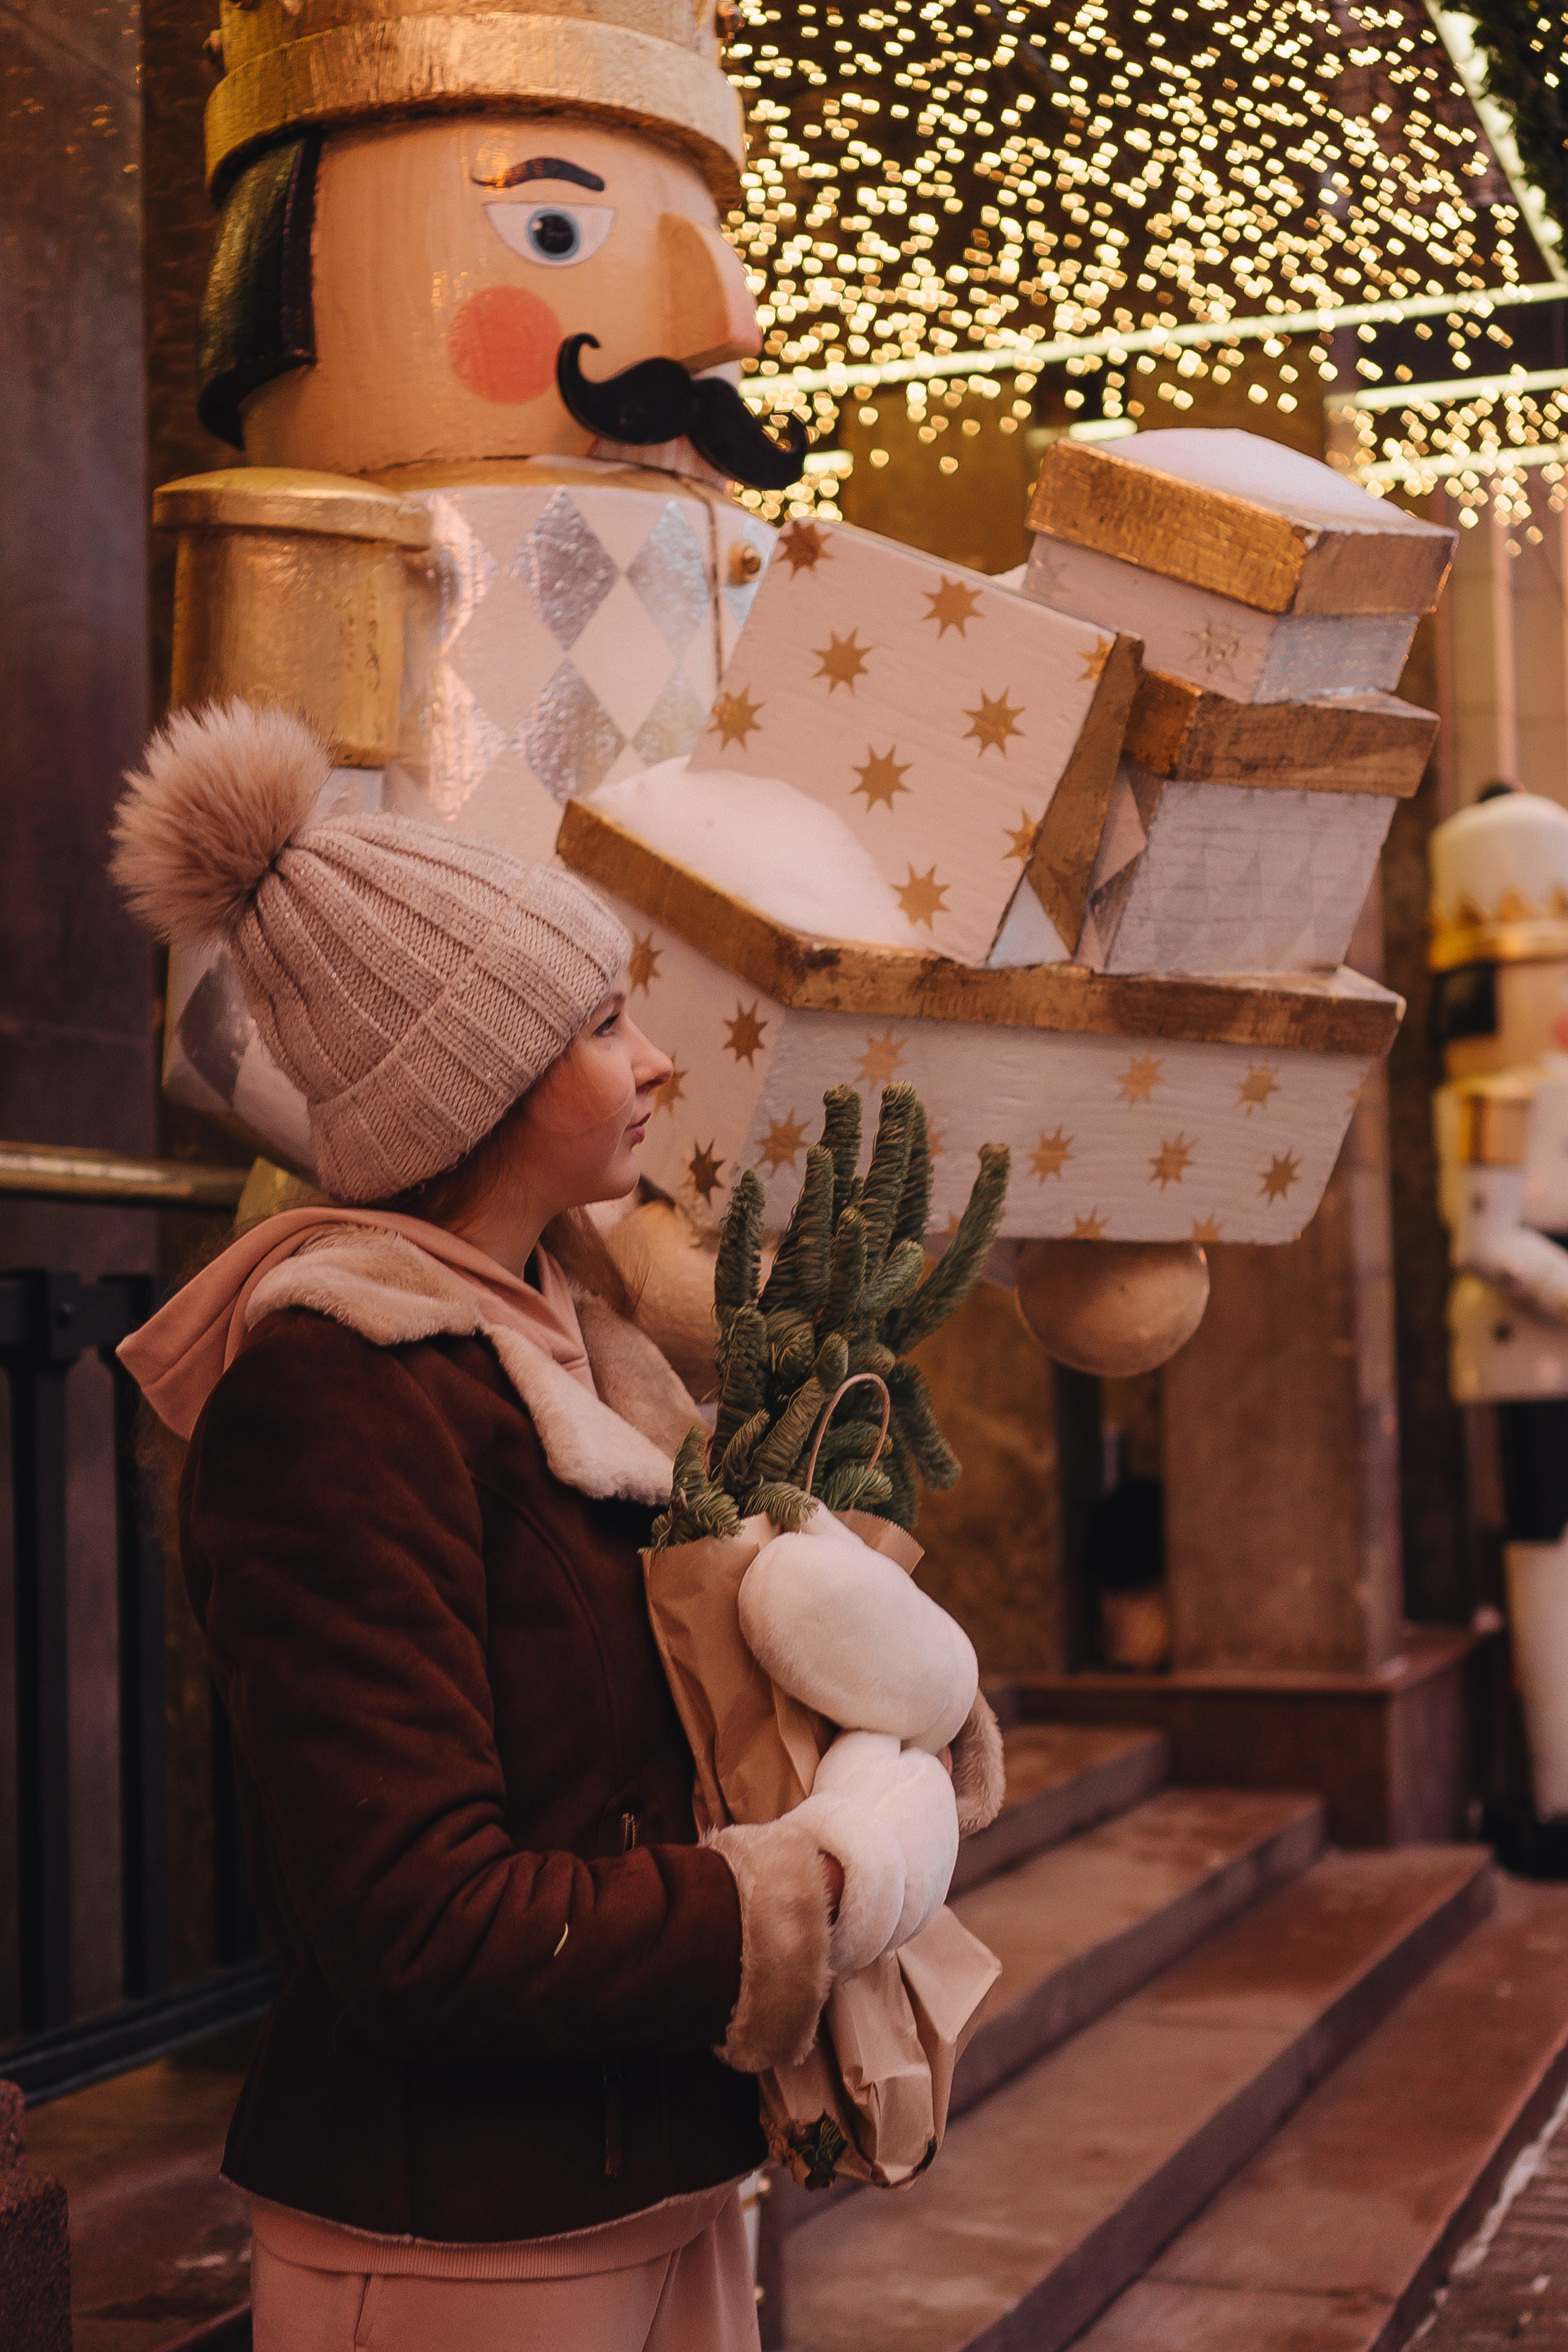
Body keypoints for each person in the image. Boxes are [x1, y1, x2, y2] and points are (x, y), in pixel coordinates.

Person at [111, 699, 956, 2352]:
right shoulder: (338, 1398)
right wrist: (821, 1884)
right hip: (466, 2244)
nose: (657, 1061)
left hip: (654, 2177)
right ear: (475, 1082)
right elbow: (423, 1924)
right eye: (600, 1022)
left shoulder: (581, 1344)